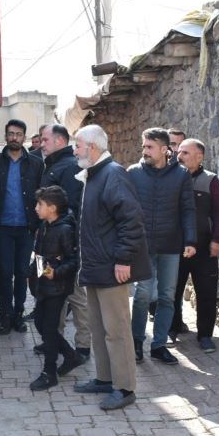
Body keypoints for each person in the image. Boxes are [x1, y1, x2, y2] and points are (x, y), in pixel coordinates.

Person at [73, 125, 150, 411]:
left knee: (116, 330)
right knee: (98, 327)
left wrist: (123, 259)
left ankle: (125, 387)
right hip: (95, 267)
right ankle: (106, 379)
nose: (74, 150)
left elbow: (131, 220)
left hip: (111, 268)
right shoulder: (94, 174)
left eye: (78, 145)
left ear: (92, 147)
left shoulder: (113, 174)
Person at [128, 128, 197, 366]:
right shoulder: (133, 173)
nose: (144, 151)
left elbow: (188, 210)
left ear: (164, 149)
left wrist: (190, 240)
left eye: (149, 147)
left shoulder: (181, 175)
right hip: (142, 246)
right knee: (142, 295)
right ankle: (136, 342)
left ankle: (158, 346)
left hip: (171, 244)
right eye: (144, 146)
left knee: (168, 296)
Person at [0, 119, 44, 335]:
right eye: (11, 133)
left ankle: (18, 314)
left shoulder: (36, 164)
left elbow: (41, 196)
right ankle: (6, 314)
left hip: (26, 229)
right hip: (2, 229)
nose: (14, 137)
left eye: (18, 134)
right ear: (5, 136)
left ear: (24, 137)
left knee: (21, 272)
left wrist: (38, 226)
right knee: (4, 273)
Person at [37, 124, 91, 360]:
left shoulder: (68, 167)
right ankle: (53, 340)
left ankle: (82, 346)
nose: (41, 143)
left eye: (45, 139)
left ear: (59, 141)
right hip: (51, 243)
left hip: (67, 246)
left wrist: (64, 242)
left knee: (76, 297)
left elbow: (70, 208)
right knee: (54, 297)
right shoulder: (53, 164)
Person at [171, 138, 219, 352]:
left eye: (185, 152)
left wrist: (217, 239)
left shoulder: (210, 181)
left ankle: (205, 336)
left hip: (204, 248)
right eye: (180, 152)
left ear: (199, 156)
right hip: (175, 246)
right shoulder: (172, 177)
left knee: (206, 292)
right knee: (172, 290)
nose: (180, 155)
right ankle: (172, 328)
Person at [28, 186, 82, 390]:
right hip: (43, 286)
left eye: (39, 204)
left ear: (52, 208)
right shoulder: (44, 226)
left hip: (57, 288)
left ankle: (49, 373)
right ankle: (70, 355)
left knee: (49, 330)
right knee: (41, 324)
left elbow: (74, 260)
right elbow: (39, 256)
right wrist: (31, 275)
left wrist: (57, 272)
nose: (35, 208)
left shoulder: (65, 229)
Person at [148, 128, 188, 326]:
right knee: (147, 290)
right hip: (150, 240)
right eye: (173, 144)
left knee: (171, 287)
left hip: (174, 239)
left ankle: (173, 323)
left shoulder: (182, 174)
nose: (176, 149)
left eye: (180, 145)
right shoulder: (148, 171)